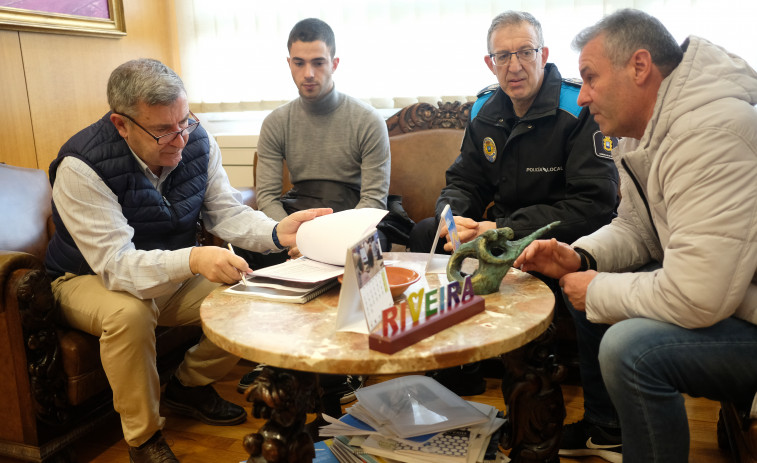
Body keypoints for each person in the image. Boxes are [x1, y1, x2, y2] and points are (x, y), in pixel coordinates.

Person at [45, 58, 331, 463]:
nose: (180, 139)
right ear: (121, 124)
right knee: (130, 312)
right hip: (85, 276)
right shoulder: (81, 167)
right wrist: (194, 259)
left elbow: (225, 212)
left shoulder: (196, 140)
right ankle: (143, 441)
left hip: (165, 271)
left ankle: (188, 384)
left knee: (248, 290)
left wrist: (277, 233)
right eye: (163, 130)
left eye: (184, 122)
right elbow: (118, 266)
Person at [514, 9, 757, 463]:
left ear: (640, 67)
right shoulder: (642, 133)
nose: (581, 96)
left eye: (589, 78)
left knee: (631, 351)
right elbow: (636, 229)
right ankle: (611, 431)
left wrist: (599, 288)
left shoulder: (713, 132)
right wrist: (580, 257)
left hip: (741, 310)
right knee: (589, 285)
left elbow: (698, 294)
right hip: (731, 294)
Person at [408, 10, 619, 396]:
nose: (515, 66)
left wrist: (503, 230)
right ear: (490, 63)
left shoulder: (578, 107)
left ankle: (599, 421)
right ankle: (457, 370)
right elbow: (464, 179)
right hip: (502, 236)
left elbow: (592, 206)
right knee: (426, 232)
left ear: (544, 54)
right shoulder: (485, 109)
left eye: (525, 52)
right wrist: (452, 219)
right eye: (503, 56)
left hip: (560, 241)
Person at [233, 17, 392, 408]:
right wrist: (292, 237)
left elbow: (373, 200)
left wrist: (326, 243)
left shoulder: (367, 120)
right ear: (288, 63)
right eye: (299, 62)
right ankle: (273, 353)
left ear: (334, 63)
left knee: (371, 248)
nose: (309, 73)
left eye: (318, 62)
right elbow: (267, 196)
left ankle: (352, 360)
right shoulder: (276, 123)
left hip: (354, 213)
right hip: (299, 214)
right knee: (249, 243)